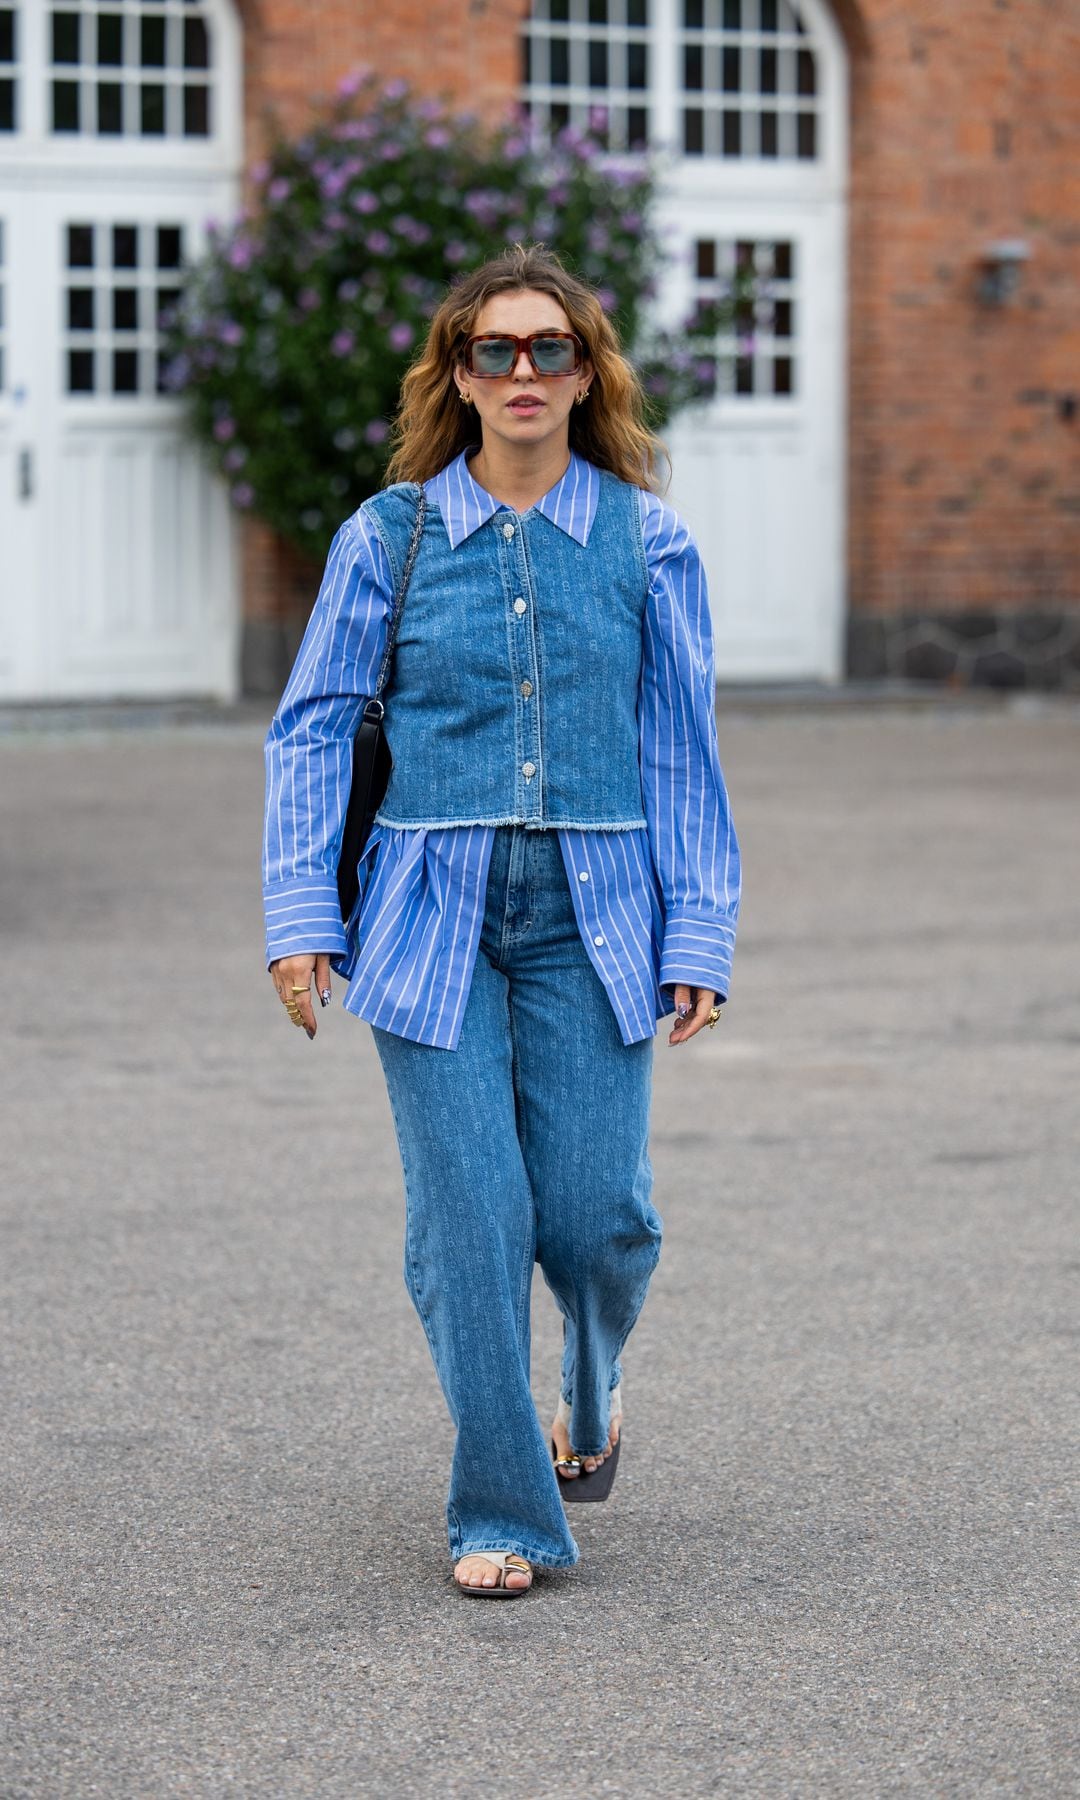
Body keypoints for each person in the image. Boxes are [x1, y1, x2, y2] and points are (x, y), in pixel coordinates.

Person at [262, 243, 740, 1598]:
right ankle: (503, 1509)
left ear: (587, 372)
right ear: (458, 378)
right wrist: (302, 913)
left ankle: (592, 1394)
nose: (524, 372)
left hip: (599, 914)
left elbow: (680, 750)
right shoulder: (389, 537)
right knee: (471, 1215)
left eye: (551, 349)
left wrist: (699, 929)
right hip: (427, 918)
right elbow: (311, 731)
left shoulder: (650, 540)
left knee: (597, 1219)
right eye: (495, 351)